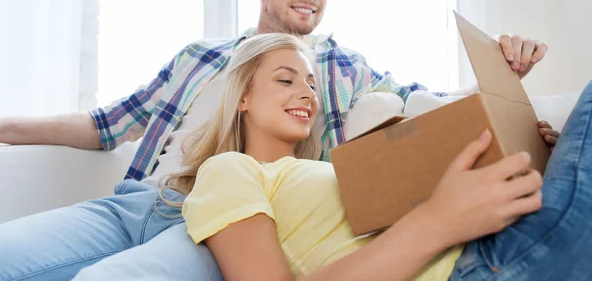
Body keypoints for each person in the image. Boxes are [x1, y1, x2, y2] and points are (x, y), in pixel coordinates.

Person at [0, 0, 551, 280]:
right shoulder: (200, 56)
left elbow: (427, 105)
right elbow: (105, 124)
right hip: (140, 202)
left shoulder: (343, 67)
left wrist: (502, 77)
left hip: (223, 226)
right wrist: (2, 126)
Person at [167, 32, 588, 281]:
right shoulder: (226, 170)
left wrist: (534, 157)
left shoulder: (340, 169)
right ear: (243, 96)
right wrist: (437, 223)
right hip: (481, 267)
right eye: (285, 79)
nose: (306, 93)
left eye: (312, 84)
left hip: (505, 241)